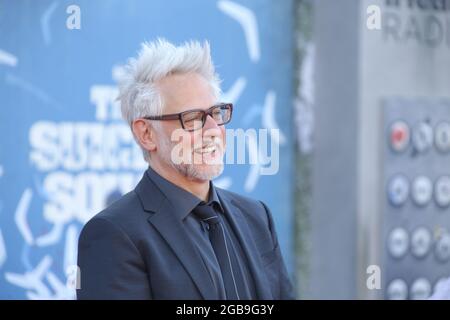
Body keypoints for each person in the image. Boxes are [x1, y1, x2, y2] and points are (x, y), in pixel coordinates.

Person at [76, 39, 294, 300]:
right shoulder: (114, 234)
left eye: (216, 113)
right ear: (146, 134)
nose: (213, 130)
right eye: (192, 119)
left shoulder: (256, 217)